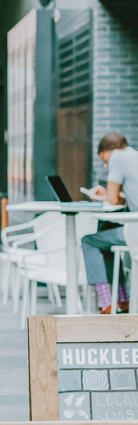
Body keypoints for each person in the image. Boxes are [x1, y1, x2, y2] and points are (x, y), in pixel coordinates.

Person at [80, 134, 138, 313]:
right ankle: (123, 299)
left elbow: (113, 200)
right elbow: (119, 198)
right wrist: (107, 194)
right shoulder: (134, 155)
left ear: (107, 152)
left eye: (104, 161)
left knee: (89, 241)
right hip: (133, 227)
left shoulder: (117, 157)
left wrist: (103, 196)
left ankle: (106, 303)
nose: (106, 165)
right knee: (106, 238)